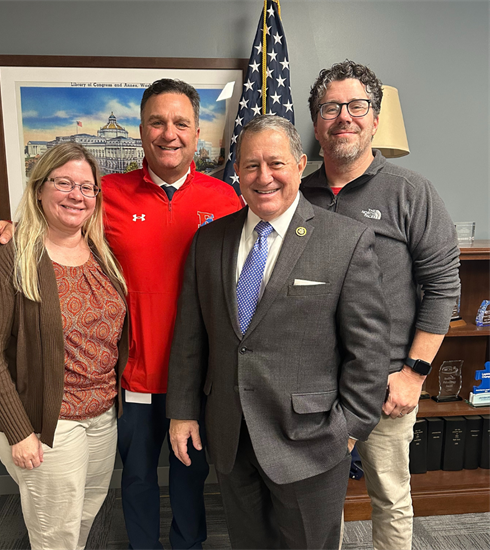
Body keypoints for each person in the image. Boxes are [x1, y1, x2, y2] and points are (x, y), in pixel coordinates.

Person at [0, 79, 243, 550]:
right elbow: (56, 226)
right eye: (157, 122)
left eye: (181, 122)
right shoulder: (106, 195)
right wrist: (2, 231)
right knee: (136, 481)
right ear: (140, 130)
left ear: (197, 131)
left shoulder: (226, 200)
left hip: (198, 378)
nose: (169, 133)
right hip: (130, 377)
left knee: (190, 480)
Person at [166, 115, 390, 550]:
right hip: (231, 434)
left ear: (301, 164)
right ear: (236, 171)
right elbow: (191, 337)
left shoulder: (346, 241)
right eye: (250, 166)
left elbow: (369, 348)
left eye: (276, 163)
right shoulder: (209, 241)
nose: (263, 177)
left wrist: (350, 428)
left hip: (312, 440)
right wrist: (183, 411)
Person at [301, 60, 460, 550]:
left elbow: (442, 288)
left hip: (388, 382)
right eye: (331, 107)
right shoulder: (297, 192)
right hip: (312, 384)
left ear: (375, 118)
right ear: (316, 121)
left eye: (357, 106)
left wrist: (413, 373)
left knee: (389, 497)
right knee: (316, 497)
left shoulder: (411, 192)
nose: (343, 117)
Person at [0, 142, 129, 550]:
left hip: (102, 416)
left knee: (86, 512)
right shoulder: (6, 259)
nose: (76, 194)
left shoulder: (102, 255)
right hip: (46, 421)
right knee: (55, 533)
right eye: (63, 183)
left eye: (87, 187)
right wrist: (20, 432)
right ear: (39, 189)